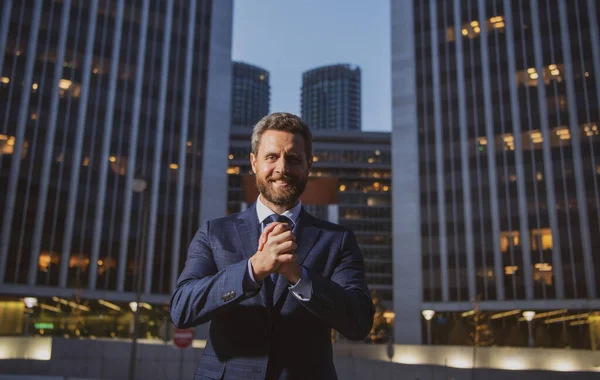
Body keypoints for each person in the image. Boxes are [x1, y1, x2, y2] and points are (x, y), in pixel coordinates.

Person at [170, 112, 374, 379]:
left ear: (308, 166)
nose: (282, 168)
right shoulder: (213, 233)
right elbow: (182, 309)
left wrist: (299, 278)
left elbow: (359, 323)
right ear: (254, 163)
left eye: (293, 158)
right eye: (271, 157)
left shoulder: (338, 240)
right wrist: (252, 269)